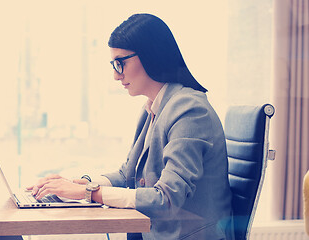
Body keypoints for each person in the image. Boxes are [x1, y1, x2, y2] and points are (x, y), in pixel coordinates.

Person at [27, 13, 233, 240]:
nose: (116, 75)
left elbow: (166, 198)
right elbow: (128, 174)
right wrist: (80, 184)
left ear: (150, 55)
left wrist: (89, 193)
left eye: (120, 63)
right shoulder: (154, 107)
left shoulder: (190, 111)